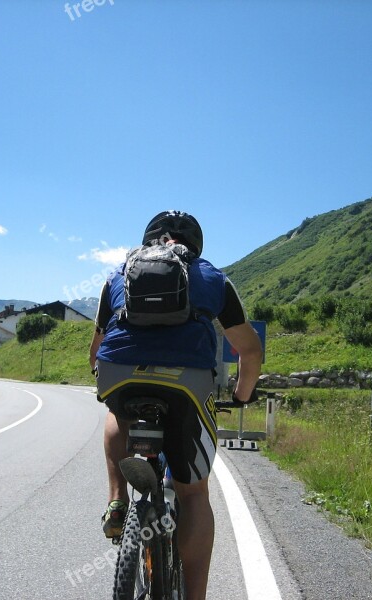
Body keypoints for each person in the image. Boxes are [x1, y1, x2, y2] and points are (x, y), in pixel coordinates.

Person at [89, 210, 263, 600]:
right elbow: (250, 351)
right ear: (195, 245)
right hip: (186, 384)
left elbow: (96, 350)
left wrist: (109, 377)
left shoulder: (118, 274)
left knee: (116, 410)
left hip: (120, 374)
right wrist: (242, 394)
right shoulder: (214, 278)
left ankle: (117, 502)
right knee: (194, 494)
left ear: (148, 240)